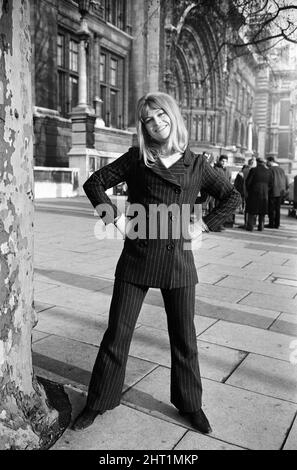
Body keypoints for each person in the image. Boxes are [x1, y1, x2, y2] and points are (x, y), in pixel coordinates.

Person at [72, 92, 241, 433]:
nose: (156, 122)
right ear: (144, 126)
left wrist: (204, 224)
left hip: (178, 261)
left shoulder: (196, 164)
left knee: (184, 339)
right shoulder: (138, 158)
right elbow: (95, 183)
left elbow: (233, 196)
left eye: (161, 114)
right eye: (149, 119)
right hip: (136, 259)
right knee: (117, 334)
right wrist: (116, 220)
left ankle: (191, 404)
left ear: (173, 116)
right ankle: (98, 401)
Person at [245, 157, 272, 231]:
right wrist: (266, 190)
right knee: (262, 211)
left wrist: (249, 190)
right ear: (264, 163)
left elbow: (248, 182)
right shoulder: (269, 171)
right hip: (264, 194)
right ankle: (261, 226)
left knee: (251, 210)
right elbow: (270, 184)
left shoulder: (253, 170)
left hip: (254, 193)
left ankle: (250, 226)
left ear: (257, 162)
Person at [266, 156, 288, 228]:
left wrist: (268, 189)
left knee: (271, 208)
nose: (266, 163)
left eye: (267, 161)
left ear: (271, 161)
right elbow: (286, 181)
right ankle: (277, 224)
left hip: (273, 191)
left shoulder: (270, 169)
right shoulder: (282, 170)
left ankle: (271, 223)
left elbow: (269, 181)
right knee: (278, 208)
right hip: (281, 192)